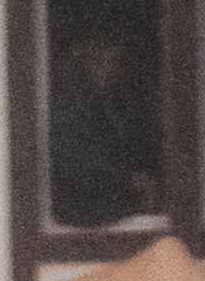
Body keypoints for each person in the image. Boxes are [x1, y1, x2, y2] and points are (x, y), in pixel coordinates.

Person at [45, 22, 161, 231]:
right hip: (76, 225)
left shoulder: (108, 102)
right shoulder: (61, 104)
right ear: (77, 54)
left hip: (115, 217)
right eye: (97, 58)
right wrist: (129, 181)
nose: (107, 69)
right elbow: (75, 165)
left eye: (113, 60)